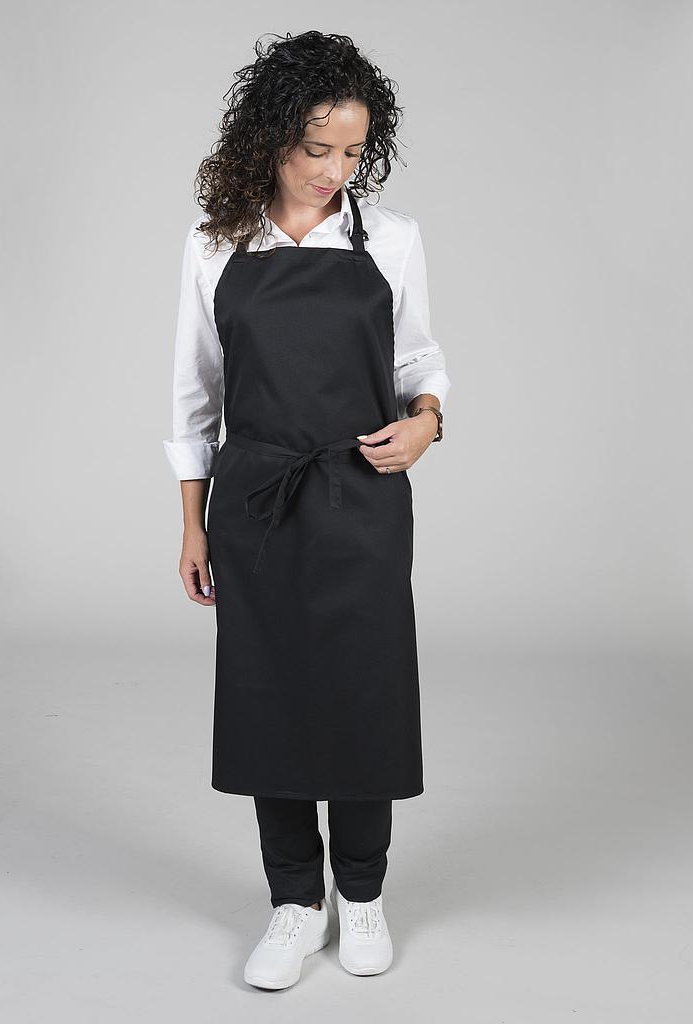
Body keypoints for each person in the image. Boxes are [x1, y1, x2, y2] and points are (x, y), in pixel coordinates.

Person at [162, 31, 450, 990]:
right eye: (316, 148)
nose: (334, 171)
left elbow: (419, 362)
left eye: (353, 152)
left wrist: (428, 424)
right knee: (270, 696)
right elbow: (195, 399)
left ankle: (361, 892)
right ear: (270, 138)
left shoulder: (392, 240)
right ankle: (294, 901)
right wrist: (194, 522)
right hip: (254, 501)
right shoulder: (215, 245)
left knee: (366, 691)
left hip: (361, 495)